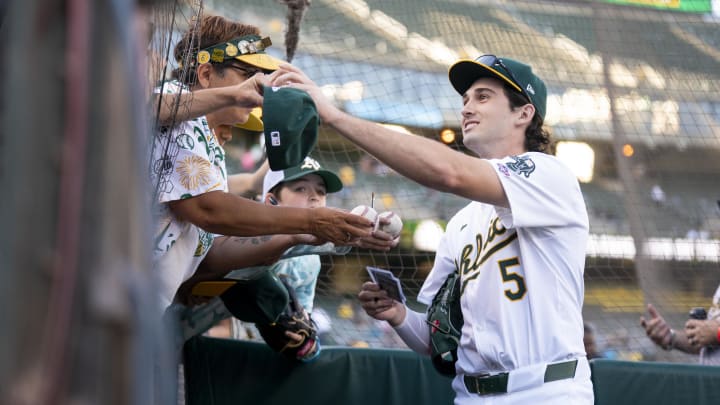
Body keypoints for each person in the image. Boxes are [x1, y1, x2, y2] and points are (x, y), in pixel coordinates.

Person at [272, 55, 593, 403]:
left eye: (483, 97)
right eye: (466, 99)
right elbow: (436, 338)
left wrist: (334, 116)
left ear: (523, 113)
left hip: (546, 391)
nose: (467, 107)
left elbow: (448, 173)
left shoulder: (549, 175)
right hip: (471, 394)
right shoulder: (461, 224)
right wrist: (397, 313)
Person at [151, 15, 392, 312]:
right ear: (205, 74)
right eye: (247, 72)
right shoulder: (176, 106)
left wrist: (297, 235)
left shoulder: (205, 138)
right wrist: (310, 220)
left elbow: (211, 253)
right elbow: (208, 210)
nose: (258, 83)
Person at [640, 284, 720, 365]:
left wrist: (717, 333)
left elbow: (715, 333)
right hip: (708, 374)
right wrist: (672, 337)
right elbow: (709, 342)